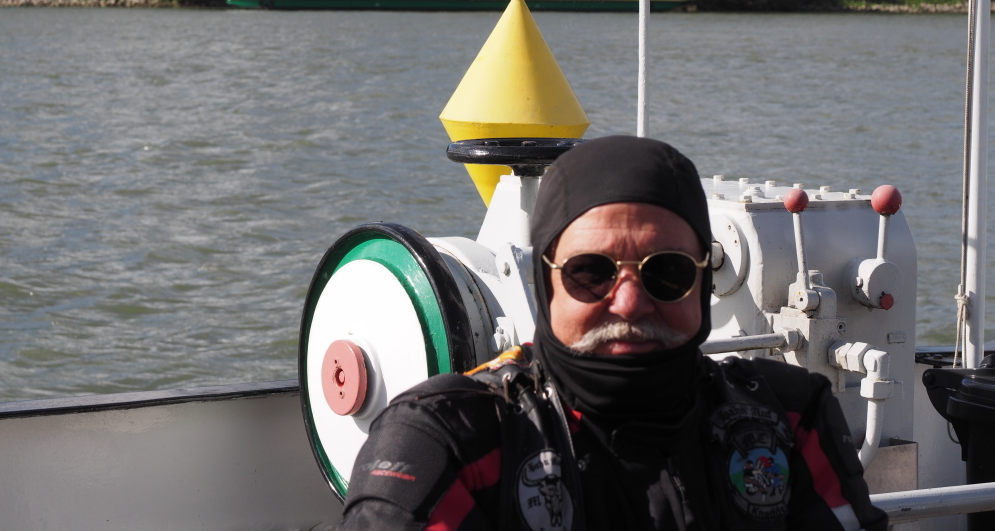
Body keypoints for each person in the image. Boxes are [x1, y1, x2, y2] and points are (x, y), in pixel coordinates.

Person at [338, 136, 888, 531]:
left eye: (666, 272)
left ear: (702, 285)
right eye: (590, 272)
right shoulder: (449, 442)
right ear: (544, 284)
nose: (628, 302)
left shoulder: (789, 418)